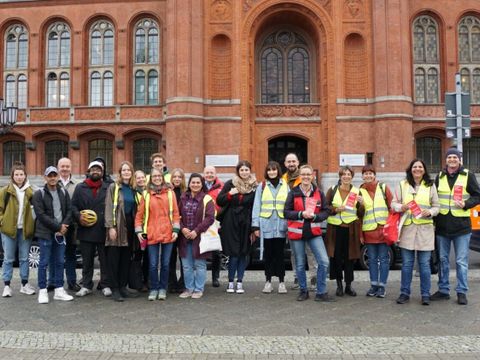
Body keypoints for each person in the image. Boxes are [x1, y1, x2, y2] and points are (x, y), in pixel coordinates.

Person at [432, 148, 480, 305]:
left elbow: (477, 196)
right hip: (442, 226)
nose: (452, 159)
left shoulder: (468, 175)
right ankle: (444, 290)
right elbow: (433, 197)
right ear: (445, 160)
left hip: (461, 227)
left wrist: (466, 204)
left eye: (455, 157)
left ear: (460, 160)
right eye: (449, 157)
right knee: (443, 259)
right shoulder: (439, 176)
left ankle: (461, 291)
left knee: (461, 261)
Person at [392, 159, 439, 305]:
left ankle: (425, 294)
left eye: (420, 167)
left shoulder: (430, 185)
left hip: (425, 229)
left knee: (424, 264)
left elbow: (437, 206)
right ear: (410, 169)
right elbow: (393, 204)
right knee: (407, 264)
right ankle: (404, 293)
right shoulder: (402, 184)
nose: (417, 169)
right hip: (408, 229)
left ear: (424, 170)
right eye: (414, 167)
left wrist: (430, 212)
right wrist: (401, 207)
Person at [284, 164, 333, 302]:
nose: (306, 177)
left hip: (314, 232)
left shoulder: (318, 193)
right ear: (300, 176)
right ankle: (303, 290)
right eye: (303, 174)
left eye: (308, 174)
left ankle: (321, 292)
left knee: (324, 261)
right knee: (300, 264)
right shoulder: (293, 192)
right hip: (297, 233)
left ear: (312, 176)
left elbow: (326, 211)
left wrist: (316, 217)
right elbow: (286, 212)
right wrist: (301, 214)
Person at [135, 167, 180, 301]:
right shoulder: (146, 194)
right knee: (153, 264)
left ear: (162, 177)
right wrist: (139, 231)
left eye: (159, 176)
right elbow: (140, 215)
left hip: (167, 232)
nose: (157, 178)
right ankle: (154, 288)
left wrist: (176, 230)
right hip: (152, 233)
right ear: (151, 178)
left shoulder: (171, 194)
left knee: (166, 264)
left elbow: (176, 213)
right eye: (154, 176)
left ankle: (162, 288)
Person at [32, 166, 73, 304]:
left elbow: (69, 210)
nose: (53, 178)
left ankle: (59, 290)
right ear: (45, 177)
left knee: (60, 261)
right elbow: (41, 215)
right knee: (43, 262)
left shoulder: (63, 192)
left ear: (58, 176)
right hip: (46, 233)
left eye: (55, 175)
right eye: (50, 175)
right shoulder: (39, 194)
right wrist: (58, 227)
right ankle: (43, 291)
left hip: (60, 233)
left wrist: (65, 225)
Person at [217, 160, 256, 294]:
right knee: (233, 253)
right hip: (231, 221)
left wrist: (254, 227)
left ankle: (240, 281)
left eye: (246, 170)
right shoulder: (230, 184)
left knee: (243, 253)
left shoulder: (255, 186)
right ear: (238, 172)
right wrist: (230, 194)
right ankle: (230, 282)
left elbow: (255, 207)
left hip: (246, 222)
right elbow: (219, 200)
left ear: (250, 171)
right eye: (242, 170)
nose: (244, 172)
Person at [72, 161, 111, 297]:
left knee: (104, 260)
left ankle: (105, 284)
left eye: (98, 169)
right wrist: (78, 217)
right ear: (88, 171)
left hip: (102, 229)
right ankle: (87, 285)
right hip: (85, 229)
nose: (96, 171)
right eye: (93, 169)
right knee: (87, 260)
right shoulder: (80, 187)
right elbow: (73, 206)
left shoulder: (108, 187)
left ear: (102, 172)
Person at [326, 166, 364, 297]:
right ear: (340, 176)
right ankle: (339, 285)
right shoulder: (332, 190)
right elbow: (325, 208)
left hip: (351, 229)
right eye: (344, 174)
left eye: (349, 174)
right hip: (335, 230)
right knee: (336, 258)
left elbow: (361, 213)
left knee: (350, 258)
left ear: (352, 176)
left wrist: (362, 204)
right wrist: (335, 209)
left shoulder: (357, 191)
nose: (346, 176)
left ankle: (348, 285)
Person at [252, 161, 288, 294]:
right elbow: (256, 207)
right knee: (268, 255)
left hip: (281, 226)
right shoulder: (261, 186)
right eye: (269, 170)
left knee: (280, 255)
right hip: (266, 226)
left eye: (274, 169)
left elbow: (289, 206)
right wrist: (255, 226)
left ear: (278, 170)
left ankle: (282, 282)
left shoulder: (285, 186)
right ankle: (268, 282)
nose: (271, 172)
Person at [0, 162, 36, 298]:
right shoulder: (5, 191)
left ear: (25, 176)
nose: (19, 177)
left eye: (21, 174)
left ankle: (24, 284)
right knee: (8, 259)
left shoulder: (30, 192)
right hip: (8, 230)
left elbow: (36, 209)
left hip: (25, 230)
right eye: (17, 174)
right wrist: (2, 222)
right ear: (12, 176)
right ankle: (7, 286)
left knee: (24, 258)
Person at [178, 173, 215, 299]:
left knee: (199, 265)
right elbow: (176, 216)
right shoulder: (183, 198)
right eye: (193, 182)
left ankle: (198, 289)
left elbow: (210, 218)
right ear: (189, 184)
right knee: (186, 265)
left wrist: (196, 231)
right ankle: (189, 289)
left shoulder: (207, 199)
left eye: (198, 182)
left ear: (202, 184)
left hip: (199, 237)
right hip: (184, 237)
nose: (195, 185)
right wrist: (182, 228)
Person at [282, 153, 317, 290]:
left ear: (298, 162)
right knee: (295, 252)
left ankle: (313, 279)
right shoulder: (282, 179)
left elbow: (315, 197)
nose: (291, 164)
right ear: (285, 164)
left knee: (310, 251)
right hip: (291, 220)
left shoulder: (306, 177)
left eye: (293, 161)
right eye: (288, 161)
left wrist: (309, 214)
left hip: (307, 220)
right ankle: (298, 278)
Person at [358, 164, 393, 298]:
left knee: (384, 260)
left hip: (383, 230)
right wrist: (360, 205)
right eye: (365, 173)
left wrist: (391, 228)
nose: (368, 175)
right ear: (362, 176)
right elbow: (359, 215)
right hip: (368, 231)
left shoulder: (383, 188)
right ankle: (373, 286)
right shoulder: (359, 191)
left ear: (374, 175)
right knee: (371, 260)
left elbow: (392, 208)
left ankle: (382, 287)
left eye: (370, 173)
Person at [104, 161, 137, 302]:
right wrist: (110, 226)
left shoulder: (133, 188)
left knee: (125, 258)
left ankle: (123, 286)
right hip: (117, 226)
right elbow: (108, 206)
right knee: (114, 259)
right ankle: (115, 288)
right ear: (120, 172)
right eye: (124, 170)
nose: (126, 172)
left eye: (128, 170)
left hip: (130, 226)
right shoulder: (114, 187)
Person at [47, 157, 80, 292]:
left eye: (67, 166)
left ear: (71, 168)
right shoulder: (53, 181)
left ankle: (72, 282)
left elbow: (77, 205)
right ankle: (52, 281)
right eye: (62, 166)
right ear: (58, 167)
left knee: (70, 255)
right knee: (53, 254)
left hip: (71, 226)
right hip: (54, 225)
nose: (65, 169)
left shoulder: (78, 185)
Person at [203, 165, 224, 287]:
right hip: (202, 222)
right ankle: (201, 277)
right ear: (204, 174)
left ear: (215, 174)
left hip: (216, 223)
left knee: (216, 252)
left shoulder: (221, 186)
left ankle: (215, 277)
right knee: (201, 251)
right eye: (207, 173)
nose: (209, 175)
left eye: (211, 173)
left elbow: (224, 204)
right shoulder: (199, 184)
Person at [168, 168, 186, 293]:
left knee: (183, 257)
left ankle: (183, 282)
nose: (177, 179)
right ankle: (171, 282)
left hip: (184, 228)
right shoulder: (168, 192)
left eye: (179, 177)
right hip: (170, 228)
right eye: (175, 177)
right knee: (170, 256)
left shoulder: (186, 192)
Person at [133, 170, 149, 292]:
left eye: (142, 177)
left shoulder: (150, 191)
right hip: (137, 230)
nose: (141, 180)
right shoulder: (133, 193)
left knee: (149, 257)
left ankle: (146, 281)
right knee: (137, 256)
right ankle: (137, 282)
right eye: (138, 178)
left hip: (149, 228)